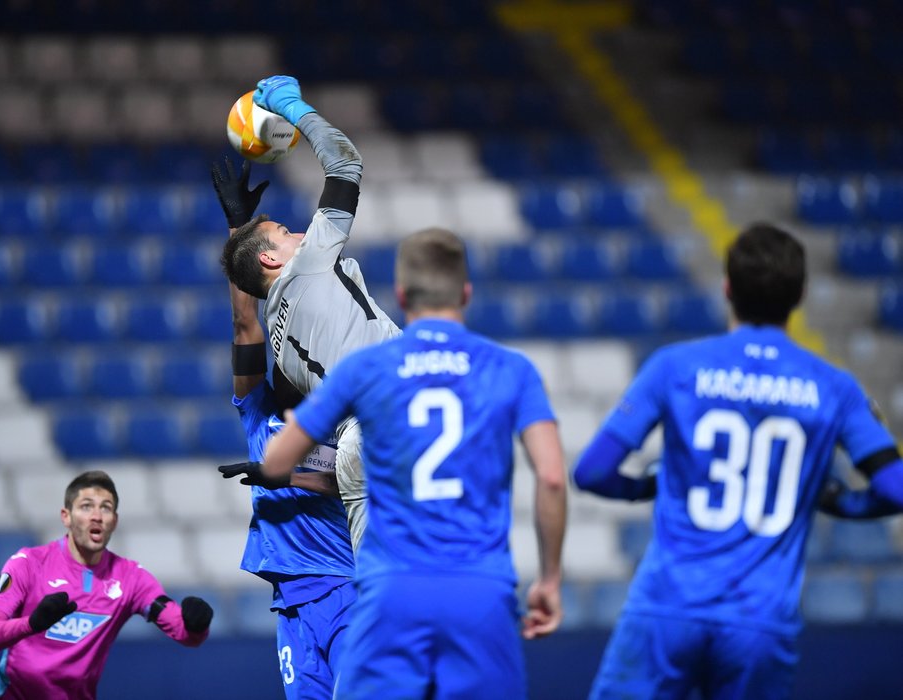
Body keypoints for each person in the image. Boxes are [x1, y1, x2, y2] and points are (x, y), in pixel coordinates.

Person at [573, 222, 903, 700]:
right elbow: (895, 488)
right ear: (800, 295)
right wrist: (837, 502)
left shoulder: (675, 366)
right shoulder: (834, 388)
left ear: (726, 287)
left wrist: (649, 485)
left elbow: (592, 472)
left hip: (668, 610)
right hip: (760, 624)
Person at [261, 227, 568, 698]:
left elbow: (277, 459)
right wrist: (548, 579)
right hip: (479, 589)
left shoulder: (367, 368)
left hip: (392, 590)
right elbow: (550, 476)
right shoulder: (510, 368)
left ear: (402, 297)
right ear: (466, 294)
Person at [218, 75, 402, 551]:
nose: (300, 232)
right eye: (284, 231)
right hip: (398, 412)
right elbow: (345, 161)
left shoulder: (281, 349)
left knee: (380, 597)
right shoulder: (307, 266)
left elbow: (247, 324)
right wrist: (291, 105)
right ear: (271, 259)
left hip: (356, 451)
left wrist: (241, 229)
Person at [209, 157, 357, 700]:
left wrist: (285, 477)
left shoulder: (347, 425)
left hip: (346, 584)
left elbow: (361, 487)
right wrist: (239, 229)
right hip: (292, 598)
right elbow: (245, 320)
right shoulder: (258, 408)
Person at [0, 470, 213, 700]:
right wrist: (31, 624)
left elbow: (184, 633)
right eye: (86, 506)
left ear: (114, 521)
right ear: (66, 516)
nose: (97, 515)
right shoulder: (28, 564)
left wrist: (196, 624)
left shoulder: (132, 579)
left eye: (105, 508)